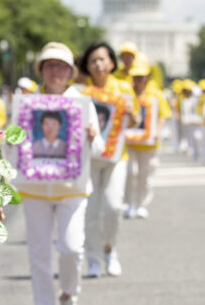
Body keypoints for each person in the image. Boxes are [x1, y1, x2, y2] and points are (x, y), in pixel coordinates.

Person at [15, 42, 103, 305]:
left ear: (71, 71)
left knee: (72, 248)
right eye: (50, 65)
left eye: (61, 66)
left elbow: (98, 150)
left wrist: (92, 138)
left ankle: (69, 288)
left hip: (72, 188)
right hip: (35, 189)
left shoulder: (82, 104)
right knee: (39, 255)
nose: (56, 71)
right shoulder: (27, 104)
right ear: (41, 69)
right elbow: (15, 143)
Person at [79, 42, 139, 278]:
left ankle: (110, 249)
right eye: (93, 60)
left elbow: (133, 122)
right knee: (91, 210)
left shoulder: (124, 90)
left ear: (112, 63)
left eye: (102, 59)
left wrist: (131, 112)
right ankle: (93, 258)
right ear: (87, 66)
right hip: (91, 158)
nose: (98, 64)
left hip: (116, 157)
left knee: (113, 206)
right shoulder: (82, 93)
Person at [123, 55, 171, 219]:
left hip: (149, 144)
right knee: (130, 173)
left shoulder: (156, 94)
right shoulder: (126, 92)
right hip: (128, 142)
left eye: (141, 76)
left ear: (147, 77)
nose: (138, 79)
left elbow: (163, 115)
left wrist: (157, 131)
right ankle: (130, 203)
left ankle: (142, 204)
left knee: (146, 176)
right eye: (135, 76)